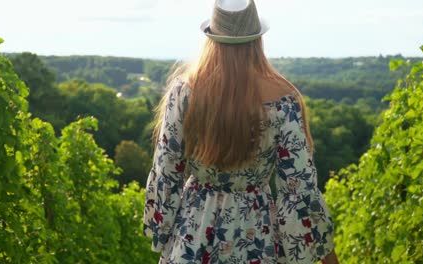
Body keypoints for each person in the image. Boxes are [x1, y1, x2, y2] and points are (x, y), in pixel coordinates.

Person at [143, 0, 340, 263]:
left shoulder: (185, 92)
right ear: (257, 40)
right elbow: (299, 190)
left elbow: (166, 173)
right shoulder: (284, 99)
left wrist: (162, 233)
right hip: (257, 238)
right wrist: (326, 256)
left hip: (192, 235)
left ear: (211, 39)